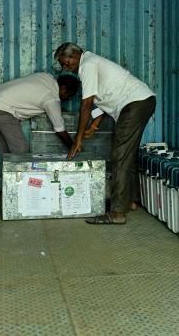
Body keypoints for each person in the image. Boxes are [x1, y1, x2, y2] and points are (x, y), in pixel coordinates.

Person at [54, 42, 156, 224]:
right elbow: (105, 99)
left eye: (66, 61)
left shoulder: (87, 65)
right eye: (62, 64)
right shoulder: (91, 62)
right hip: (142, 101)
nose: (65, 66)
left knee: (120, 154)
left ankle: (117, 213)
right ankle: (130, 201)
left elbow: (86, 104)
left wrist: (77, 139)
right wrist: (93, 127)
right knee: (127, 154)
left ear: (76, 54)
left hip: (134, 103)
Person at [0, 72, 79, 155]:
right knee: (21, 149)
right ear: (63, 88)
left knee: (7, 149)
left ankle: (7, 174)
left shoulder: (46, 77)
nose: (69, 98)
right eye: (69, 94)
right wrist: (73, 147)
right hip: (2, 108)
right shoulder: (52, 100)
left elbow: (38, 96)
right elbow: (60, 130)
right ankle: (18, 175)